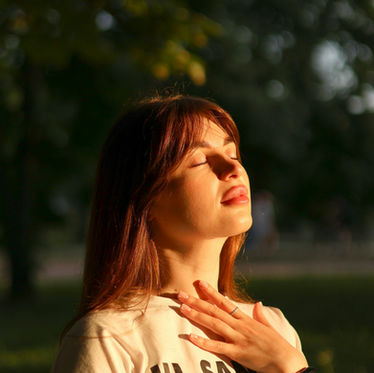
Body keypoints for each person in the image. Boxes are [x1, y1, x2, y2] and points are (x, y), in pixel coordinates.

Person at [53, 95, 312, 373]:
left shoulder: (274, 328)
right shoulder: (108, 337)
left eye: (233, 154)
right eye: (200, 160)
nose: (233, 168)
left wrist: (292, 367)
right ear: (146, 199)